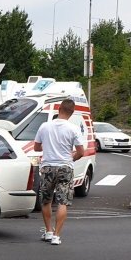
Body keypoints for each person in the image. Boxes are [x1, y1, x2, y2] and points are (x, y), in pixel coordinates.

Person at [33, 98, 85, 246]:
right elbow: (81, 152)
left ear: (59, 109)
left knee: (46, 200)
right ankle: (56, 236)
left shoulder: (44, 126)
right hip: (65, 167)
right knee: (62, 202)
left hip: (48, 166)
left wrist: (49, 148)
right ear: (72, 112)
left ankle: (49, 231)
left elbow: (36, 148)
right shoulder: (73, 128)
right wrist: (71, 159)